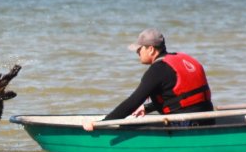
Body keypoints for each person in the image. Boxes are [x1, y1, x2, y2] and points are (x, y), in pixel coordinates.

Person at [83, 28, 213, 131]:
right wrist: (148, 108)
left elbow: (132, 102)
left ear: (150, 49)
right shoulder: (182, 59)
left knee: (125, 128)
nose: (137, 52)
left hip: (186, 124)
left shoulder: (157, 70)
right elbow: (177, 98)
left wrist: (102, 124)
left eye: (139, 49)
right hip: (208, 119)